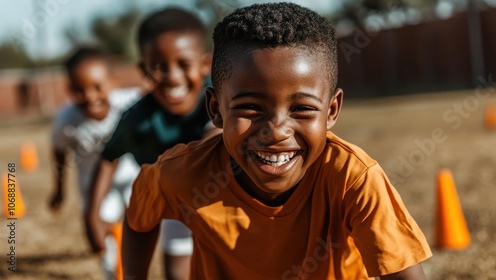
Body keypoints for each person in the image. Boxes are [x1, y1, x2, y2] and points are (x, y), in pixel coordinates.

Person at [122, 2, 433, 280]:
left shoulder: (352, 180)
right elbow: (138, 218)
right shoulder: (182, 174)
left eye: (301, 109)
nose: (276, 130)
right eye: (251, 108)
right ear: (216, 109)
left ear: (331, 110)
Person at [84, 7, 215, 280]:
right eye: (158, 66)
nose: (173, 76)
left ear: (205, 64)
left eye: (183, 64)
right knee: (177, 271)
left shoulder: (224, 96)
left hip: (230, 200)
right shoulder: (138, 118)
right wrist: (92, 214)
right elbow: (108, 160)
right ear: (143, 70)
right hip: (175, 202)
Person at [49, 46, 141, 280]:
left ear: (113, 82)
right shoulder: (65, 121)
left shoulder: (131, 103)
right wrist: (59, 191)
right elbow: (59, 154)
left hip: (134, 178)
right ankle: (114, 271)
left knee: (141, 227)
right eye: (79, 90)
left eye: (97, 87)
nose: (90, 96)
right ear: (69, 89)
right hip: (95, 189)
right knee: (99, 242)